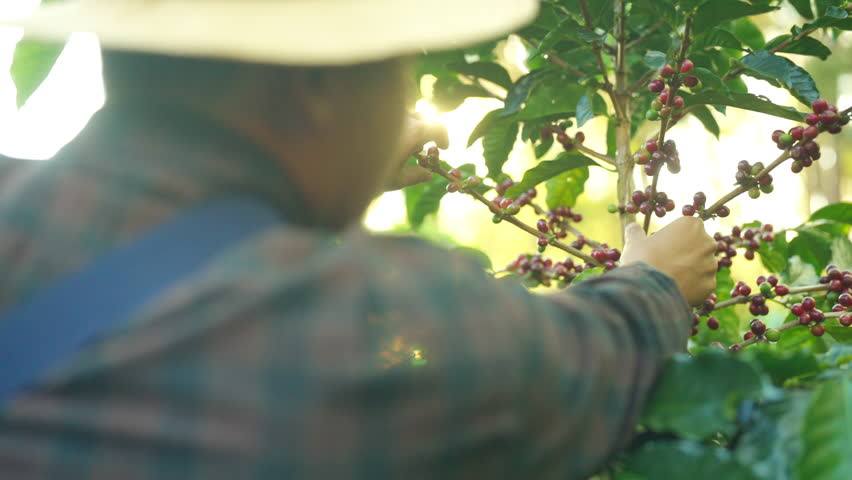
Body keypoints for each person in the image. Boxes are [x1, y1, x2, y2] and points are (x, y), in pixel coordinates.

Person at [0, 0, 717, 478]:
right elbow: (577, 366)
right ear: (316, 83)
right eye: (399, 71)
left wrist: (325, 175)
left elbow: (157, 240)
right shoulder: (348, 320)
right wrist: (657, 284)